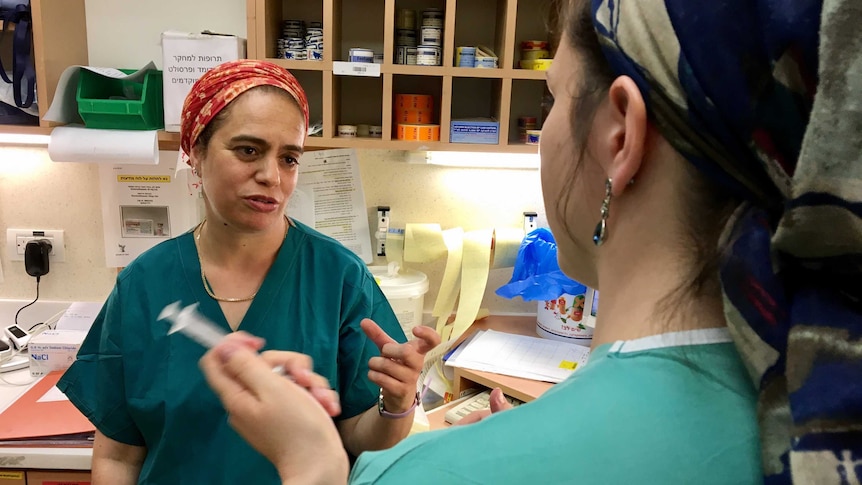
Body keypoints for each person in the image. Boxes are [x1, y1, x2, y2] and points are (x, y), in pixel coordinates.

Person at [200, 0, 862, 483]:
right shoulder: (823, 413)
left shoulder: (418, 475)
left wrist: (312, 463)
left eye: (551, 100)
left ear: (620, 135)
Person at [57, 60, 439, 485]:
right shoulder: (145, 283)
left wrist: (396, 401)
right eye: (248, 150)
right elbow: (118, 457)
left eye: (289, 158)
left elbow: (359, 439)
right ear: (196, 153)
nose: (271, 176)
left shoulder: (338, 277)